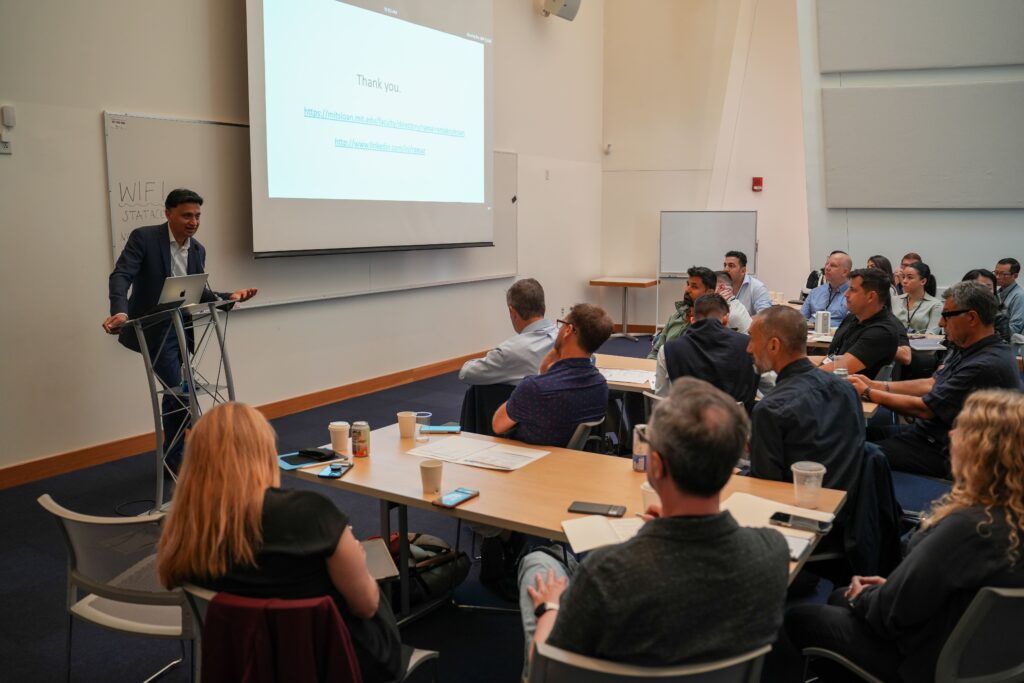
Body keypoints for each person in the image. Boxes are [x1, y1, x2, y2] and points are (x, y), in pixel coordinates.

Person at [517, 378, 788, 672]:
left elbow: (545, 666)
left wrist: (550, 607)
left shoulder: (607, 572)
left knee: (538, 565)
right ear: (733, 469)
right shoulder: (772, 551)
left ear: (655, 466)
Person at [783, 389, 1024, 683]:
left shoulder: (969, 526)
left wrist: (867, 596)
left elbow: (888, 614)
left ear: (982, 449)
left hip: (922, 659)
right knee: (839, 596)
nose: (951, 434)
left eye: (960, 429)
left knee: (801, 617)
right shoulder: (1008, 516)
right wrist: (885, 590)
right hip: (978, 654)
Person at [156, 403, 406, 682]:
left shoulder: (187, 526)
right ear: (263, 452)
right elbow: (366, 606)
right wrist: (354, 554)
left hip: (241, 664)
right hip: (335, 662)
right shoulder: (311, 514)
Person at [103, 189, 257, 474]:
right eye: (187, 215)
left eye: (197, 216)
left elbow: (197, 292)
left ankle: (177, 456)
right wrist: (120, 311)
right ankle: (178, 459)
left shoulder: (197, 250)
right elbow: (121, 275)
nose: (193, 222)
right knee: (179, 394)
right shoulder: (145, 238)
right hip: (153, 329)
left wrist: (229, 297)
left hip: (182, 328)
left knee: (180, 394)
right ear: (168, 213)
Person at [849, 282, 1023, 477]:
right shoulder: (971, 348)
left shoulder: (985, 363)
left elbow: (925, 408)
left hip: (949, 451)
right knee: (851, 435)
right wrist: (878, 385)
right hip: (930, 434)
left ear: (972, 318)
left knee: (853, 453)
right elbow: (931, 383)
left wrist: (868, 392)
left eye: (947, 315)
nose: (941, 323)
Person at [746, 306, 865, 492]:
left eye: (752, 339)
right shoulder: (846, 390)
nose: (749, 348)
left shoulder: (770, 409)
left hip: (797, 512)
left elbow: (765, 488)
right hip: (848, 507)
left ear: (774, 345)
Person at [492, 303, 611, 446]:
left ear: (568, 330)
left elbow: (498, 426)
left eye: (561, 325)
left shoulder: (534, 388)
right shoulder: (600, 384)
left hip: (531, 460)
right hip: (574, 462)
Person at [653, 294, 758, 410]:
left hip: (686, 424)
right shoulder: (750, 346)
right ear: (725, 319)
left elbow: (661, 399)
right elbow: (770, 385)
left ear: (692, 320)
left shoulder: (668, 350)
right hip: (735, 424)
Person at [459, 278, 556, 385]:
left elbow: (465, 374)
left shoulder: (511, 351)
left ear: (512, 312)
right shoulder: (568, 336)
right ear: (544, 307)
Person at [816, 268, 902, 380]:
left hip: (851, 393)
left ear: (871, 296)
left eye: (852, 290)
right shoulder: (852, 318)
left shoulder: (882, 332)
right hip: (832, 385)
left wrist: (798, 375)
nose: (846, 294)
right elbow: (831, 358)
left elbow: (838, 370)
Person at [649, 266, 740, 359]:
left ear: (709, 293)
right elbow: (656, 351)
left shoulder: (711, 323)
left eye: (694, 286)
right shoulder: (677, 316)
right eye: (688, 284)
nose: (687, 290)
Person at [801, 251, 852, 328]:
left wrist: (817, 326)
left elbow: (851, 325)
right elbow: (801, 318)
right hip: (809, 335)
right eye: (826, 264)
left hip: (836, 337)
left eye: (833, 265)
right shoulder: (816, 291)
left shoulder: (854, 294)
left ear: (845, 272)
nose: (827, 268)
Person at [963, 268, 1012, 343]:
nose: (985, 292)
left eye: (989, 288)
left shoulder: (999, 315)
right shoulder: (958, 309)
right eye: (981, 288)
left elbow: (1003, 344)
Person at [894, 261, 942, 334]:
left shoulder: (935, 305)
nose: (904, 281)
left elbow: (932, 335)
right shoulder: (894, 300)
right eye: (903, 277)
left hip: (921, 344)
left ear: (923, 281)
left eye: (909, 277)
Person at [723, 250, 771, 315]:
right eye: (725, 265)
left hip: (749, 324)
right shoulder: (721, 285)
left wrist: (744, 322)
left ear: (743, 270)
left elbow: (764, 315)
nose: (726, 269)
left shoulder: (757, 287)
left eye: (731, 266)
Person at [995, 257, 1024, 337]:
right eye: (996, 272)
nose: (997, 277)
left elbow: (1014, 328)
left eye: (1003, 274)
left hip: (1007, 344)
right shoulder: (997, 293)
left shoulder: (1019, 296)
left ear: (1015, 275)